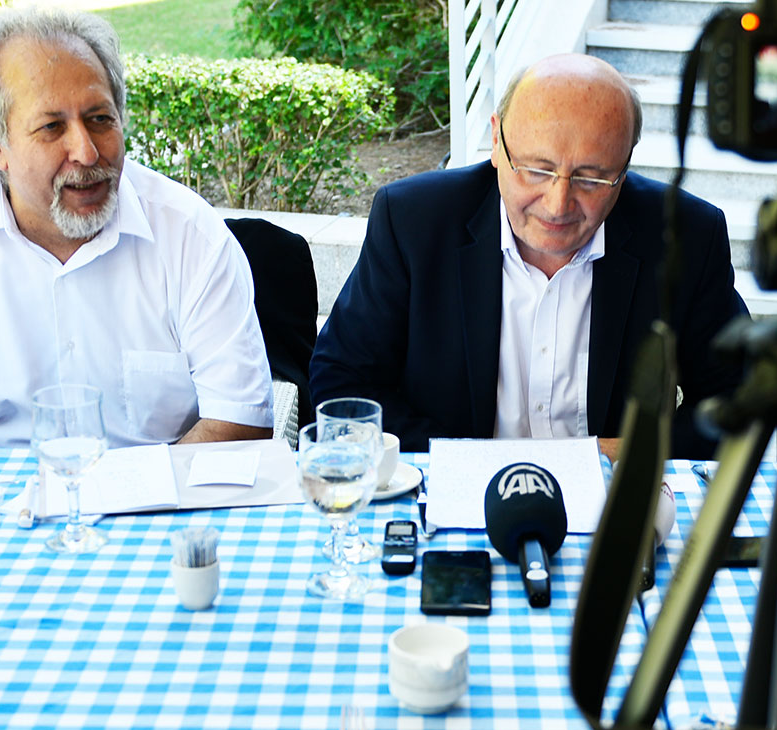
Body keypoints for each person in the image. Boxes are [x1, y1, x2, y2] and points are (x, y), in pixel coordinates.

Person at [0, 6, 272, 448]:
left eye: (100, 119)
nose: (87, 152)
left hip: (157, 513)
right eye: (52, 127)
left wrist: (126, 496)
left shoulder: (190, 236)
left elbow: (240, 421)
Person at [309, 53, 748, 459]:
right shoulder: (413, 221)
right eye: (537, 170)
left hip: (612, 499)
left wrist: (620, 453)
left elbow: (739, 397)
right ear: (498, 142)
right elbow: (342, 380)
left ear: (626, 164)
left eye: (592, 178)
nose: (558, 203)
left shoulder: (686, 234)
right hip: (453, 490)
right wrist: (471, 462)